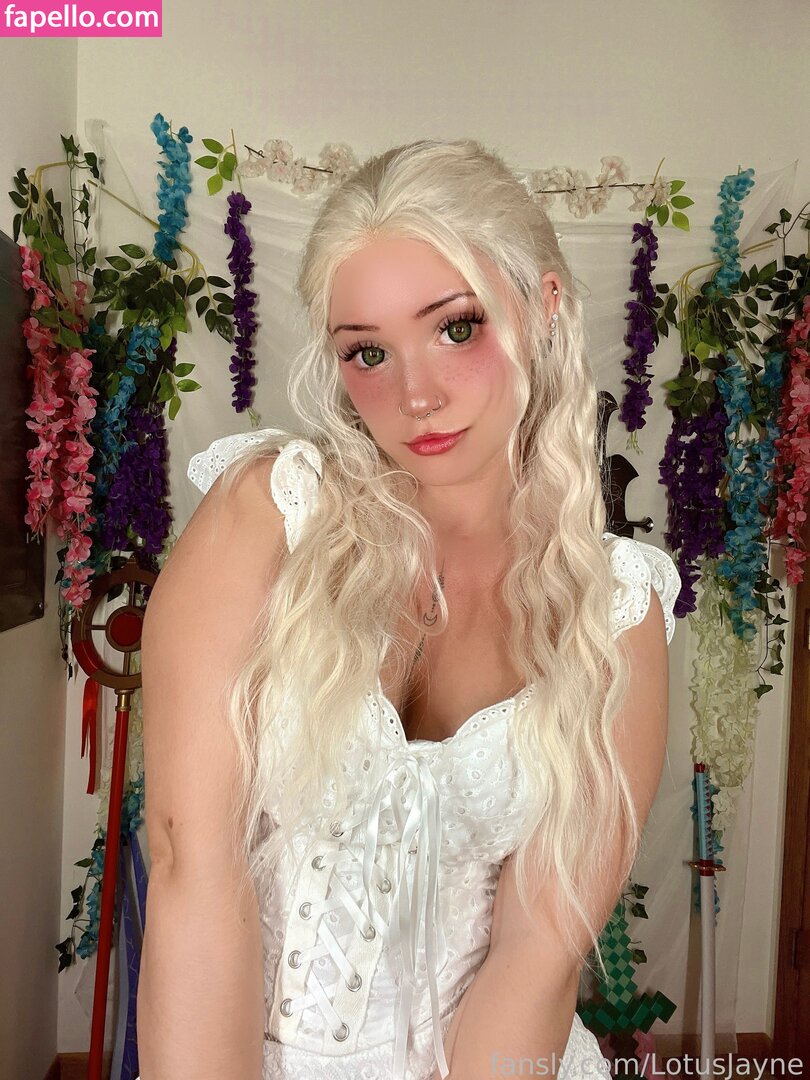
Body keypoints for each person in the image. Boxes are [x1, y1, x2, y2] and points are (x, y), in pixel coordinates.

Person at [136, 138, 681, 1080]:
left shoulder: (617, 614)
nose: (416, 395)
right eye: (368, 352)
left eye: (457, 328)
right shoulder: (268, 517)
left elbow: (538, 955)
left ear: (543, 306)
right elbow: (189, 860)